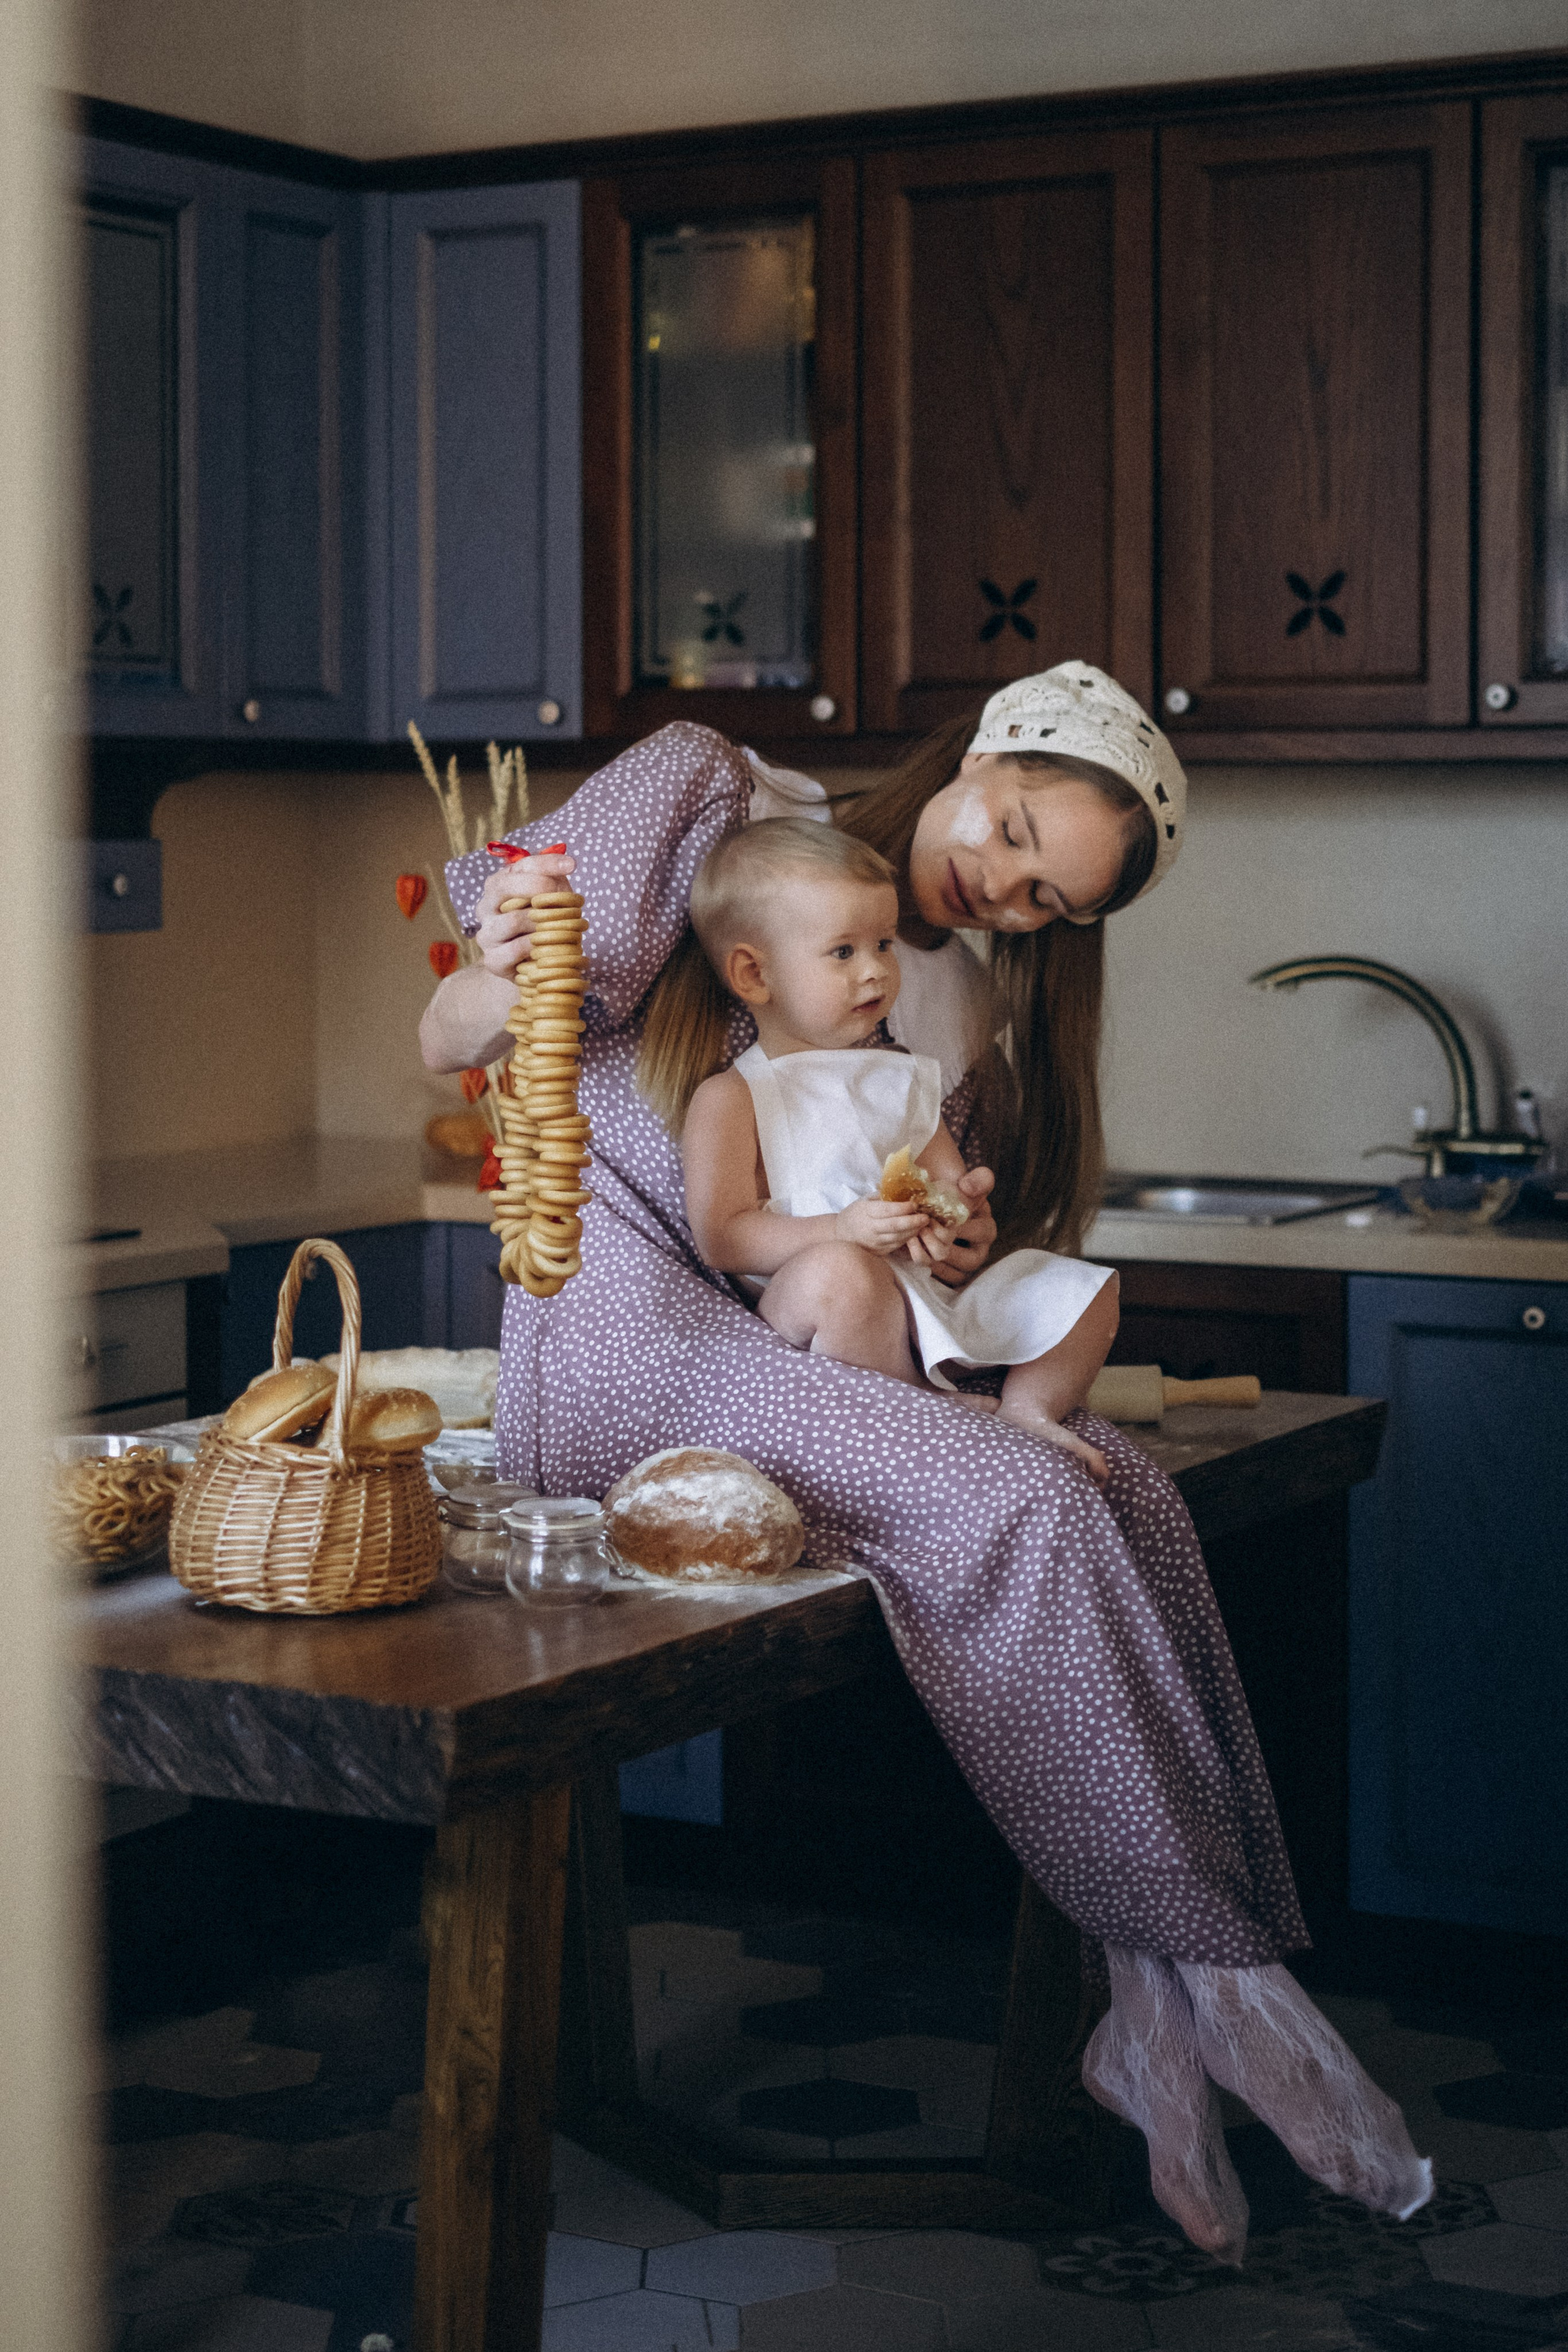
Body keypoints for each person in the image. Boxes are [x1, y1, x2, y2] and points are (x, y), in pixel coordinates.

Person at [421, 663, 1431, 2263]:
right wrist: (493, 987)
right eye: (1015, 828)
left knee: (1132, 1498)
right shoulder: (703, 788)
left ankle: (1170, 1997)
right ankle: (1212, 1983)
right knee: (1018, 1500)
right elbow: (460, 1029)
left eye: (1042, 898)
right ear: (982, 748)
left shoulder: (933, 999)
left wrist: (948, 1234)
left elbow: (869, 1249)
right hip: (617, 1344)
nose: (1002, 886)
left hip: (787, 1340)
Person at [674, 816, 1118, 1482]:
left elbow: (950, 1191)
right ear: (753, 974)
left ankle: (1028, 1410)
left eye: (883, 944)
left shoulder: (902, 1076)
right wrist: (843, 1230)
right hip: (814, 1305)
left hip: (918, 1295)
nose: (876, 970)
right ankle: (915, 1414)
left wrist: (961, 1215)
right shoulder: (733, 1097)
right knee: (842, 1274)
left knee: (1082, 1287)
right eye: (843, 952)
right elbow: (722, 1239)